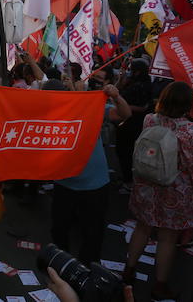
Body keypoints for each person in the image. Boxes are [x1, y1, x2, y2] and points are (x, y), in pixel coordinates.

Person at [122, 82, 193, 300]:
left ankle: (128, 270)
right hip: (176, 192)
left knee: (142, 228)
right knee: (167, 238)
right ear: (188, 105)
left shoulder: (150, 119)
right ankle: (160, 284)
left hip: (146, 185)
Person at [45, 77, 131, 265]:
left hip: (94, 184)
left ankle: (88, 269)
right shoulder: (46, 113)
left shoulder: (91, 108)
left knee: (92, 232)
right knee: (59, 229)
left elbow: (125, 114)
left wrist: (116, 97)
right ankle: (62, 265)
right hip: (64, 182)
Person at [116, 59, 153, 192]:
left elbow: (143, 108)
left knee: (127, 152)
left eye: (132, 70)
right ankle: (128, 178)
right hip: (127, 122)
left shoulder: (143, 86)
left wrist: (120, 106)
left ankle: (129, 182)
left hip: (133, 123)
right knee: (125, 152)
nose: (130, 72)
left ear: (138, 71)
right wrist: (121, 79)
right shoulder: (133, 82)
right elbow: (118, 90)